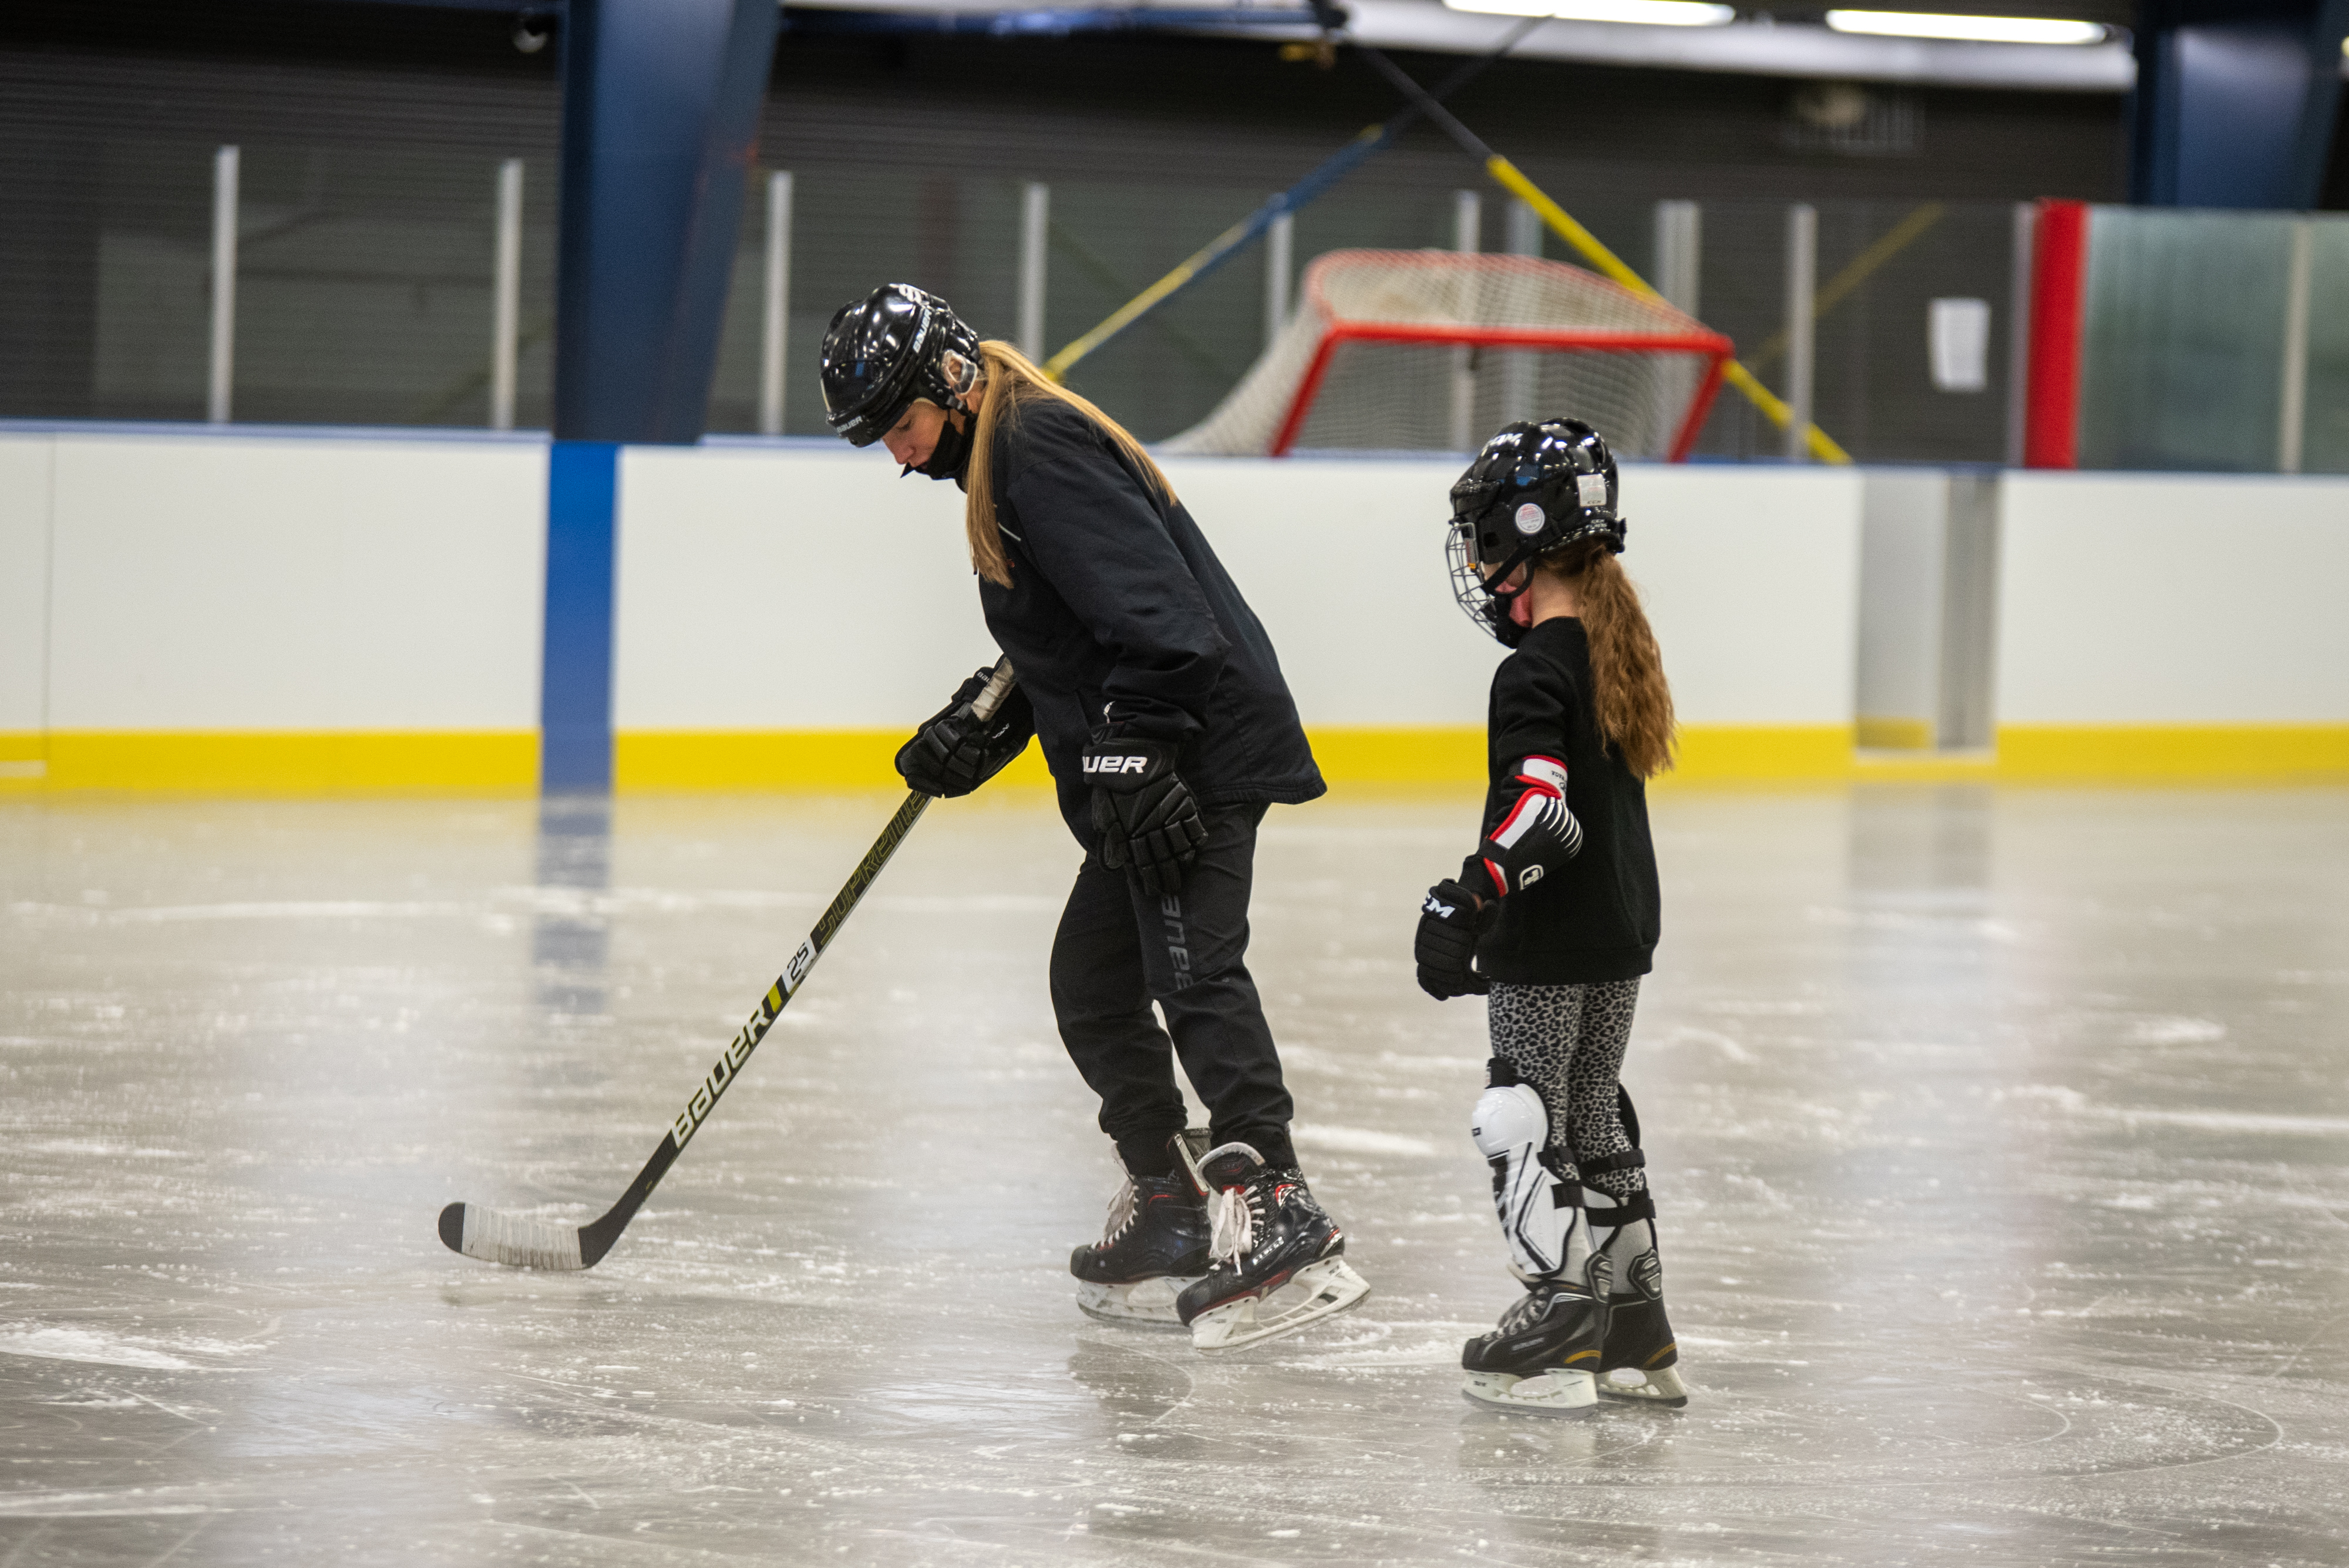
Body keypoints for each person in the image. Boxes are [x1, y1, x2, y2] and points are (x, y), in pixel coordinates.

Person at [817, 282, 1368, 1351]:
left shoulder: (1038, 450)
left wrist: (1133, 745)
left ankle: (1280, 1209)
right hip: (1160, 756)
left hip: (1192, 757)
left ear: (948, 378)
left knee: (1192, 971)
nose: (896, 453)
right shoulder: (1003, 459)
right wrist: (982, 717)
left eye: (899, 423)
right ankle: (1168, 1204)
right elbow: (1082, 628)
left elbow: (1168, 629)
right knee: (1093, 983)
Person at [1412, 418, 1687, 1414]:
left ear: (1529, 538)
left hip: (1549, 938)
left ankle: (1562, 1314)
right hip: (1618, 936)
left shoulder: (1533, 667)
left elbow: (1544, 812)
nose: (1484, 567)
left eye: (1489, 541)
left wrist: (1470, 892)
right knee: (1592, 1109)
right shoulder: (1617, 654)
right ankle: (1634, 1326)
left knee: (1524, 1114)